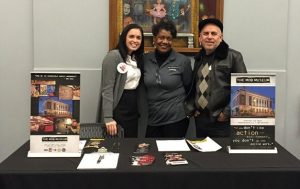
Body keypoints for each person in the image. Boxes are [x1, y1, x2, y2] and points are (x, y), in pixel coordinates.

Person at [187, 18, 247, 137]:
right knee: (203, 154)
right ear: (200, 38)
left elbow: (243, 88)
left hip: (222, 122)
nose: (209, 37)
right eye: (205, 33)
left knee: (220, 156)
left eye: (214, 34)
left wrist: (226, 113)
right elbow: (194, 86)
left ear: (221, 37)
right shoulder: (199, 58)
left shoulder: (233, 57)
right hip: (200, 121)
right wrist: (193, 108)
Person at [143, 19, 192, 138]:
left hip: (176, 120)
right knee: (152, 153)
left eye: (169, 38)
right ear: (154, 38)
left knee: (173, 155)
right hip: (153, 119)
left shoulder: (183, 61)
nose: (164, 41)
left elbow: (189, 88)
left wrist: (189, 111)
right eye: (161, 37)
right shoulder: (145, 59)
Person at [97, 24, 144, 138]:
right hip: (118, 109)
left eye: (138, 38)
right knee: (116, 146)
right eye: (131, 36)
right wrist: (108, 117)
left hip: (132, 110)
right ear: (124, 38)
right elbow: (107, 89)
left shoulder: (136, 58)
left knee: (130, 145)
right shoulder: (113, 56)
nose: (135, 40)